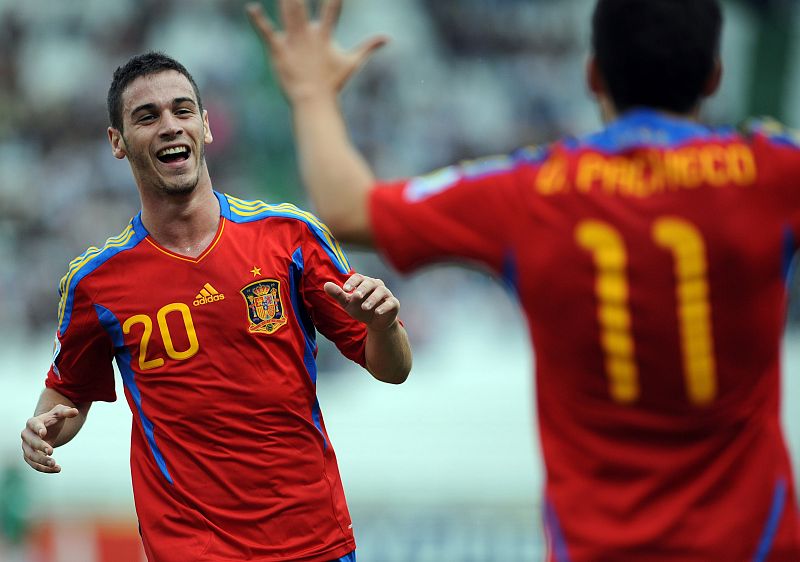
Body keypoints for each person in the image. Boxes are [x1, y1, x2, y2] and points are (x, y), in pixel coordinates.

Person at [246, 0, 800, 560]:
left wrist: (313, 95)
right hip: (754, 543)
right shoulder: (773, 173)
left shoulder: (535, 190)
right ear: (715, 75)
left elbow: (347, 208)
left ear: (592, 75)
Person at [19, 51, 412, 562]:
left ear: (205, 127)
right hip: (190, 548)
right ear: (117, 141)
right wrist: (41, 430)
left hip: (312, 541)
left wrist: (383, 326)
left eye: (182, 111)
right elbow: (65, 399)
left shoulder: (288, 236)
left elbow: (394, 368)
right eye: (147, 116)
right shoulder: (96, 282)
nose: (169, 125)